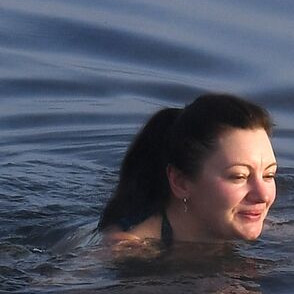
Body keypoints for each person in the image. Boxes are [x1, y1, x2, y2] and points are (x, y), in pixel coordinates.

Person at [100, 93, 277, 260]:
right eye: (239, 176)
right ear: (181, 183)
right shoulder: (123, 250)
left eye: (269, 175)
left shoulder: (263, 224)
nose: (263, 195)